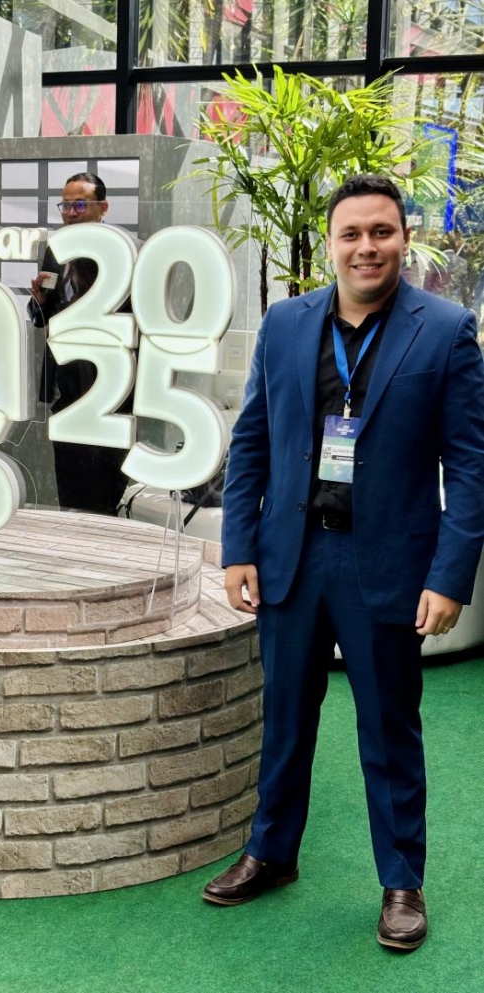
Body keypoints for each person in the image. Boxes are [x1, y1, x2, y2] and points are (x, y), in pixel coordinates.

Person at [203, 174, 484, 952]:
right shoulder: (285, 323)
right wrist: (237, 548)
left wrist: (448, 575)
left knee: (388, 727)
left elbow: (469, 467)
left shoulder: (445, 330)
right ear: (330, 244)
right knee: (284, 717)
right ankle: (270, 851)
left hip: (386, 564)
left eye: (380, 232)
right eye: (351, 233)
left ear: (404, 238)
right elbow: (251, 441)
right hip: (291, 558)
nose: (366, 247)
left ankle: (400, 880)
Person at [28, 172, 130, 516]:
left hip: (112, 389)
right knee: (70, 491)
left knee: (105, 493)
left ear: (103, 208)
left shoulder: (124, 252)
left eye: (80, 205)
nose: (70, 213)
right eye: (66, 205)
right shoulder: (56, 251)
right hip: (67, 389)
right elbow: (41, 318)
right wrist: (39, 301)